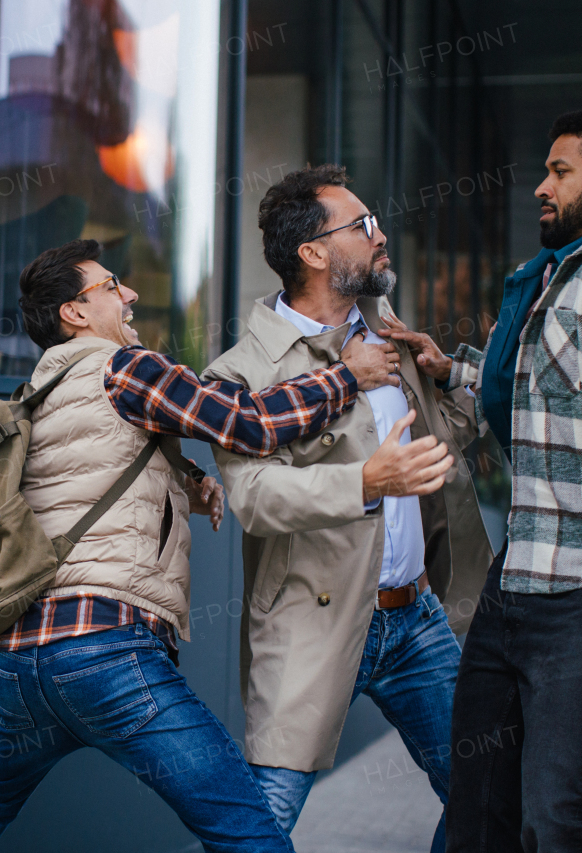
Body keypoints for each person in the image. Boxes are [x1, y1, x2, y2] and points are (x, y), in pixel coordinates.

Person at [0, 238, 393, 853]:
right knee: (248, 831)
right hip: (108, 652)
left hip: (22, 664)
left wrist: (186, 482)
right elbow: (246, 422)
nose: (131, 294)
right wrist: (346, 376)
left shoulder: (34, 394)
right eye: (113, 285)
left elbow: (86, 470)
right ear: (76, 312)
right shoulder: (125, 366)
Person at [386, 107, 582, 852]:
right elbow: (547, 391)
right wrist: (454, 367)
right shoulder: (571, 274)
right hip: (517, 583)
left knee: (558, 815)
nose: (541, 186)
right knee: (480, 808)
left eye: (560, 171)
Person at [200, 165, 493, 853]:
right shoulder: (239, 375)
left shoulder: (387, 333)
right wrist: (367, 479)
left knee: (487, 791)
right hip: (311, 618)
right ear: (313, 252)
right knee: (260, 823)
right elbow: (257, 497)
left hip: (415, 620)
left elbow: (439, 447)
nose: (381, 234)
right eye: (362, 225)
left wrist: (448, 377)